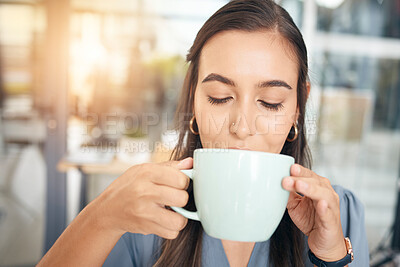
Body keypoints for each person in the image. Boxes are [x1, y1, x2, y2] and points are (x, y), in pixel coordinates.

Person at [37, 0, 369, 266]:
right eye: (220, 98)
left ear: (298, 107)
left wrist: (332, 258)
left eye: (270, 103)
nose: (241, 127)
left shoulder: (338, 216)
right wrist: (101, 217)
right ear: (193, 100)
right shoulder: (142, 214)